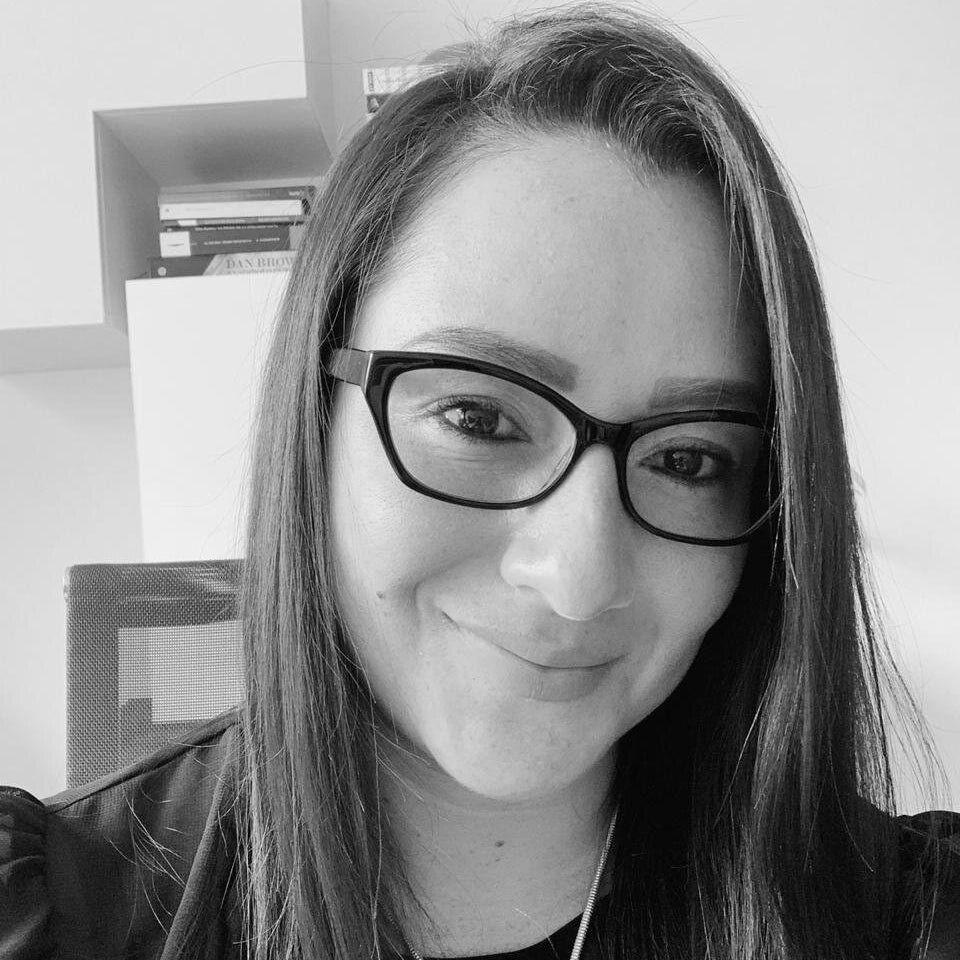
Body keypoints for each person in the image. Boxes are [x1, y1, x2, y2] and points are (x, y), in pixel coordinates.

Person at [1, 3, 958, 958]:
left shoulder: (910, 923)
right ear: (316, 416)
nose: (577, 579)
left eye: (687, 460)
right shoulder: (48, 920)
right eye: (478, 418)